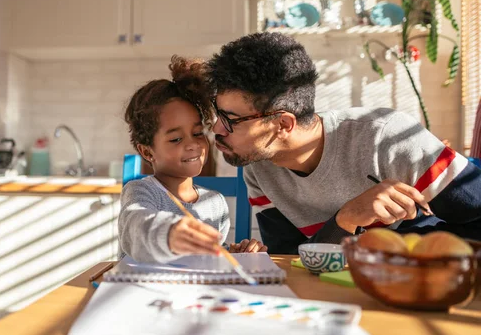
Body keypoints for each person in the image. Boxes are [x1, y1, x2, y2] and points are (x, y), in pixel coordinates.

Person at [206, 32, 481, 254]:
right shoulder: (259, 166)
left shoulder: (387, 138)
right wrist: (346, 220)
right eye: (218, 113)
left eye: (231, 119)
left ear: (283, 125)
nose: (216, 128)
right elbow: (291, 256)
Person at [119, 55, 266, 263]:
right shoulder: (141, 192)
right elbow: (136, 228)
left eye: (198, 133)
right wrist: (169, 234)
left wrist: (235, 255)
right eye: (176, 138)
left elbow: (208, 258)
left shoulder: (215, 203)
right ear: (147, 152)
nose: (193, 144)